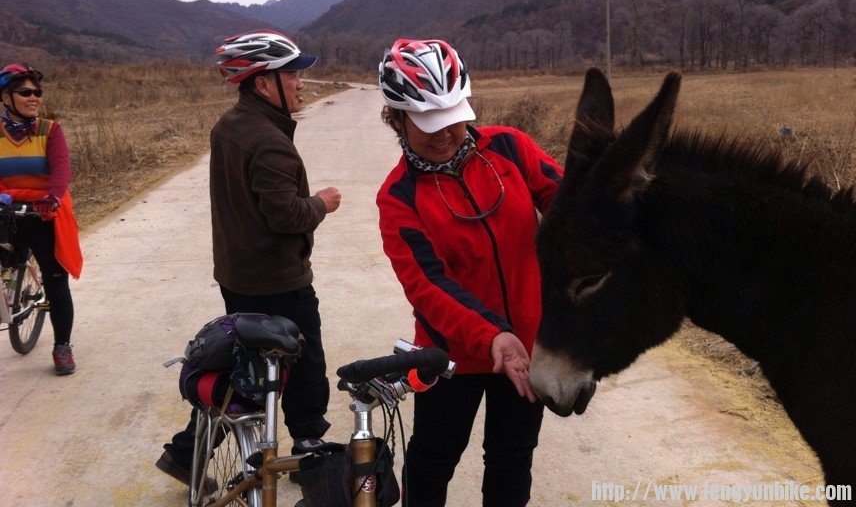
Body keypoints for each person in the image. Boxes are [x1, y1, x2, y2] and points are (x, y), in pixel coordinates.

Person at [376, 39, 563, 506]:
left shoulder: (510, 148)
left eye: (453, 118)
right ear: (397, 118)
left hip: (529, 347)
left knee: (513, 456)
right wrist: (493, 335)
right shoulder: (398, 197)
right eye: (428, 124)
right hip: (451, 355)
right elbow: (428, 286)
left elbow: (572, 205)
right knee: (433, 460)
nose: (445, 134)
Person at [157, 30, 341, 486]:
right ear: (263, 83)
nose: (301, 83)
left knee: (245, 369)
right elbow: (287, 215)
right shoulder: (270, 141)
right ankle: (309, 448)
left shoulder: (230, 125)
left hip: (238, 274)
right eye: (293, 74)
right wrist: (323, 202)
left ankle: (187, 454)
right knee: (302, 363)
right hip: (278, 280)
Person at [0, 63, 83, 375]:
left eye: (37, 92)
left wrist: (53, 197)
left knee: (56, 280)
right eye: (25, 92)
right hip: (6, 207)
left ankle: (62, 346)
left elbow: (61, 169)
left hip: (44, 211)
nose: (33, 97)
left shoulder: (50, 130)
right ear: (6, 98)